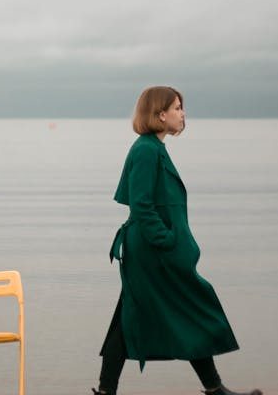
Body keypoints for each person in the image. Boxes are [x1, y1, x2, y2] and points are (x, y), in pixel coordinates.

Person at [93, 86, 261, 395]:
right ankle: (213, 388)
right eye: (178, 107)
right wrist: (166, 240)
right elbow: (141, 204)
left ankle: (109, 391)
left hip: (153, 250)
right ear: (160, 114)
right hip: (151, 251)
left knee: (146, 312)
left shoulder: (155, 147)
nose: (183, 114)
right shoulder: (145, 149)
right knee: (187, 307)